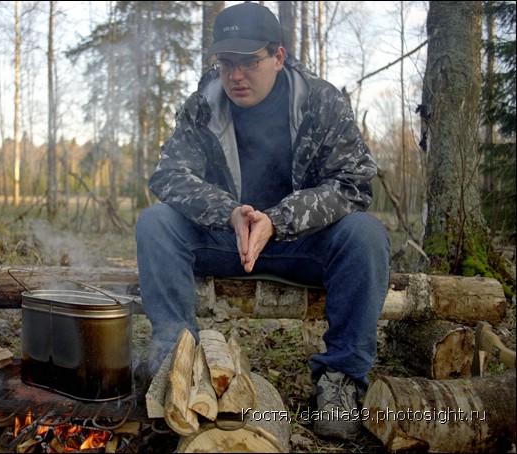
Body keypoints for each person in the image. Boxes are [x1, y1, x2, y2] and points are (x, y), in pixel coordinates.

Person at [134, 1, 390, 441]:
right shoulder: (204, 104)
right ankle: (178, 368)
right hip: (227, 240)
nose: (235, 76)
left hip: (302, 244)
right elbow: (170, 175)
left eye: (249, 62)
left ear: (278, 57)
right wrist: (230, 212)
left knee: (366, 235)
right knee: (155, 223)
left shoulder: (320, 102)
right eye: (226, 62)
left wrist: (279, 219)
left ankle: (340, 382)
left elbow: (354, 183)